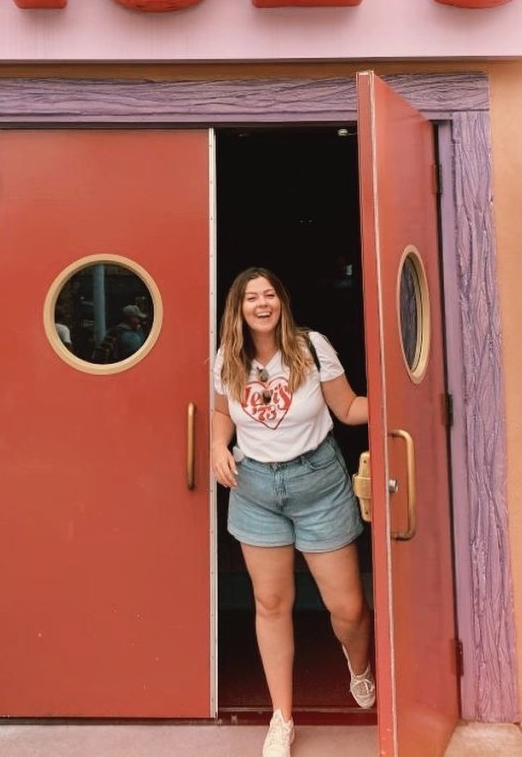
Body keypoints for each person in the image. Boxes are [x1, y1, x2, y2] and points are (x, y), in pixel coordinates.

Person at [211, 267, 374, 757]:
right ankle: (281, 717)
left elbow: (347, 408)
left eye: (269, 295)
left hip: (317, 482)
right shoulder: (227, 357)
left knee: (348, 609)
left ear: (281, 302)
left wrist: (407, 399)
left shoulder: (310, 347)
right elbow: (221, 411)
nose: (261, 304)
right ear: (238, 309)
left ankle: (359, 666)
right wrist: (218, 445)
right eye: (251, 297)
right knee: (270, 603)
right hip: (255, 488)